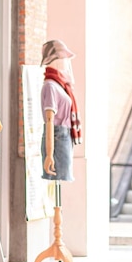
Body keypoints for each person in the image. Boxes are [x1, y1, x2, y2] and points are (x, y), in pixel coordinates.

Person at [40, 39, 82, 181]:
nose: (66, 62)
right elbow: (50, 120)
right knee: (58, 178)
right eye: (63, 58)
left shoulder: (60, 85)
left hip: (64, 135)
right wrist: (49, 154)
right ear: (55, 59)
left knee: (62, 178)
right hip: (57, 136)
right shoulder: (50, 86)